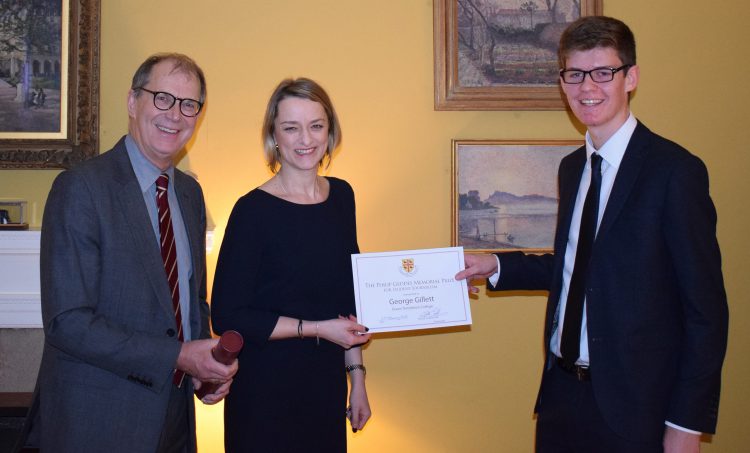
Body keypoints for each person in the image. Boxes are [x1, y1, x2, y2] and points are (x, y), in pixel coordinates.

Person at [456, 16, 728, 453]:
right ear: (562, 81)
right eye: (575, 74)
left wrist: (686, 424)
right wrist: (496, 264)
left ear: (631, 77)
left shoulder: (675, 172)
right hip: (561, 399)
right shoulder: (572, 168)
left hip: (637, 409)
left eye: (604, 72)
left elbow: (706, 312)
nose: (588, 88)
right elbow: (581, 267)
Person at [22, 53, 238, 453]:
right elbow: (67, 323)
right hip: (97, 422)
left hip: (174, 423)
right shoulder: (81, 188)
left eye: (188, 104)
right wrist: (178, 355)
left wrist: (205, 363)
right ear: (132, 101)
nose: (175, 114)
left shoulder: (190, 195)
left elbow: (190, 301)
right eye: (162, 98)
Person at [211, 77, 372, 452]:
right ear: (274, 136)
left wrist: (358, 379)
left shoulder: (342, 197)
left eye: (316, 126)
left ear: (330, 131)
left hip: (325, 388)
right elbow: (228, 316)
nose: (306, 139)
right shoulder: (251, 210)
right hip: (264, 394)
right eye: (291, 128)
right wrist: (318, 329)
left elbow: (349, 302)